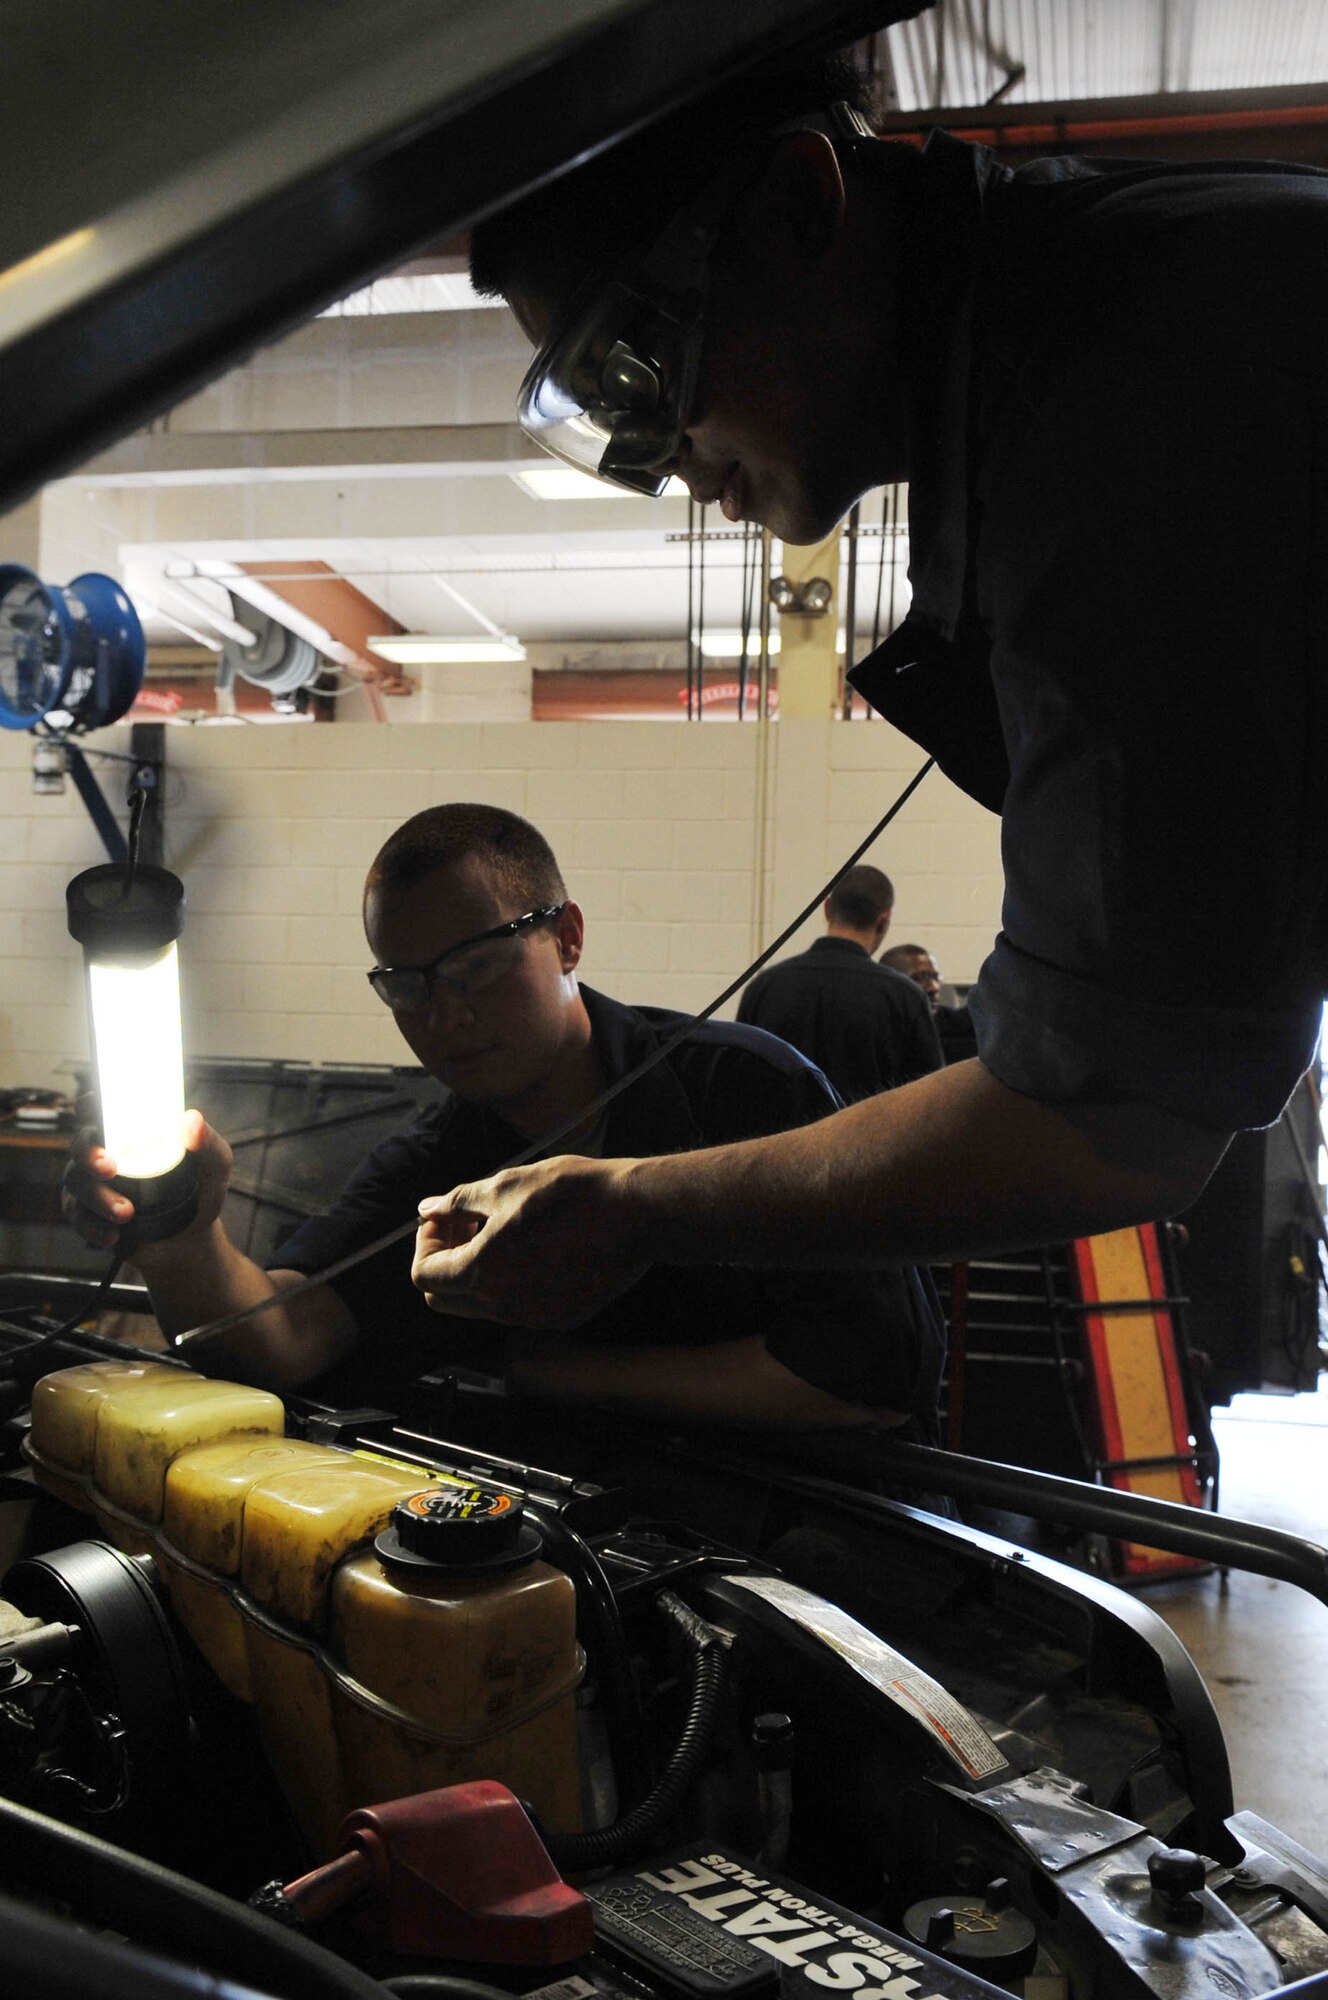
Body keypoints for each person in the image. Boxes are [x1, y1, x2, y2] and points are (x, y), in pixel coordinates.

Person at [403, 53, 1327, 1331]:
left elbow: (1112, 1122)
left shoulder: (1126, 413)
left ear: (797, 205)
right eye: (604, 411)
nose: (661, 460)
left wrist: (629, 1206)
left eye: (638, 367)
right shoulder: (1098, 307)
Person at [63, 804, 943, 1438]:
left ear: (567, 938)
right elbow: (282, 1336)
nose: (444, 1016)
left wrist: (555, 1373)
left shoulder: (747, 1092)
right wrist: (181, 1235)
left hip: (816, 1558)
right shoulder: (439, 1161)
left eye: (477, 964)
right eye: (405, 986)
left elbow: (872, 1377)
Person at [738, 865, 942, 1102]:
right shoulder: (904, 997)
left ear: (826, 908)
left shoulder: (764, 987)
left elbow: (738, 1082)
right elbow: (931, 1099)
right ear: (884, 921)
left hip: (780, 1127)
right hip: (870, 1127)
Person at [882, 944, 977, 1064]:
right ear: (891, 983)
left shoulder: (949, 1022)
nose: (934, 987)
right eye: (920, 978)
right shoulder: (881, 1036)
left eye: (936, 978)